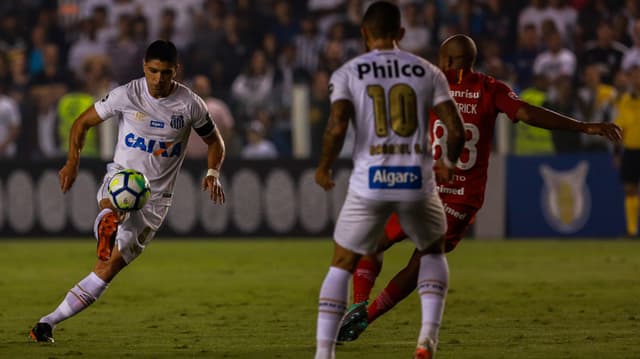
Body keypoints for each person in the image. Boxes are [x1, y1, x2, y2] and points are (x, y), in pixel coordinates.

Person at [338, 34, 623, 344]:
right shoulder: (490, 88)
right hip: (461, 199)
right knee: (420, 262)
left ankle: (359, 303)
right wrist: (584, 126)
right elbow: (527, 113)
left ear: (447, 60)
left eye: (443, 57)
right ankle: (366, 315)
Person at [28, 40, 226, 343]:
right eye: (153, 71)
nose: (159, 79)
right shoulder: (127, 94)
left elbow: (215, 142)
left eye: (166, 73)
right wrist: (72, 163)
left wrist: (213, 172)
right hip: (121, 177)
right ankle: (108, 216)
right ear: (143, 67)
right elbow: (81, 123)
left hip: (156, 200)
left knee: (107, 268)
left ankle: (47, 323)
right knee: (114, 203)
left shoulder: (190, 104)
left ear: (177, 71)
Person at [313, 2, 466, 359]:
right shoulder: (427, 71)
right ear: (401, 33)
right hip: (417, 181)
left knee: (341, 263)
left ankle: (324, 353)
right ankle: (427, 337)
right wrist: (448, 161)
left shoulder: (349, 72)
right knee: (431, 251)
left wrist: (324, 166)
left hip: (371, 182)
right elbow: (454, 128)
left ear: (364, 34)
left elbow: (336, 126)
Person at [613, 65, 640, 237]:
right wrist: (617, 152)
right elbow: (620, 126)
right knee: (630, 189)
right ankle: (632, 230)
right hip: (631, 151)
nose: (637, 80)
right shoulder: (625, 100)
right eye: (634, 77)